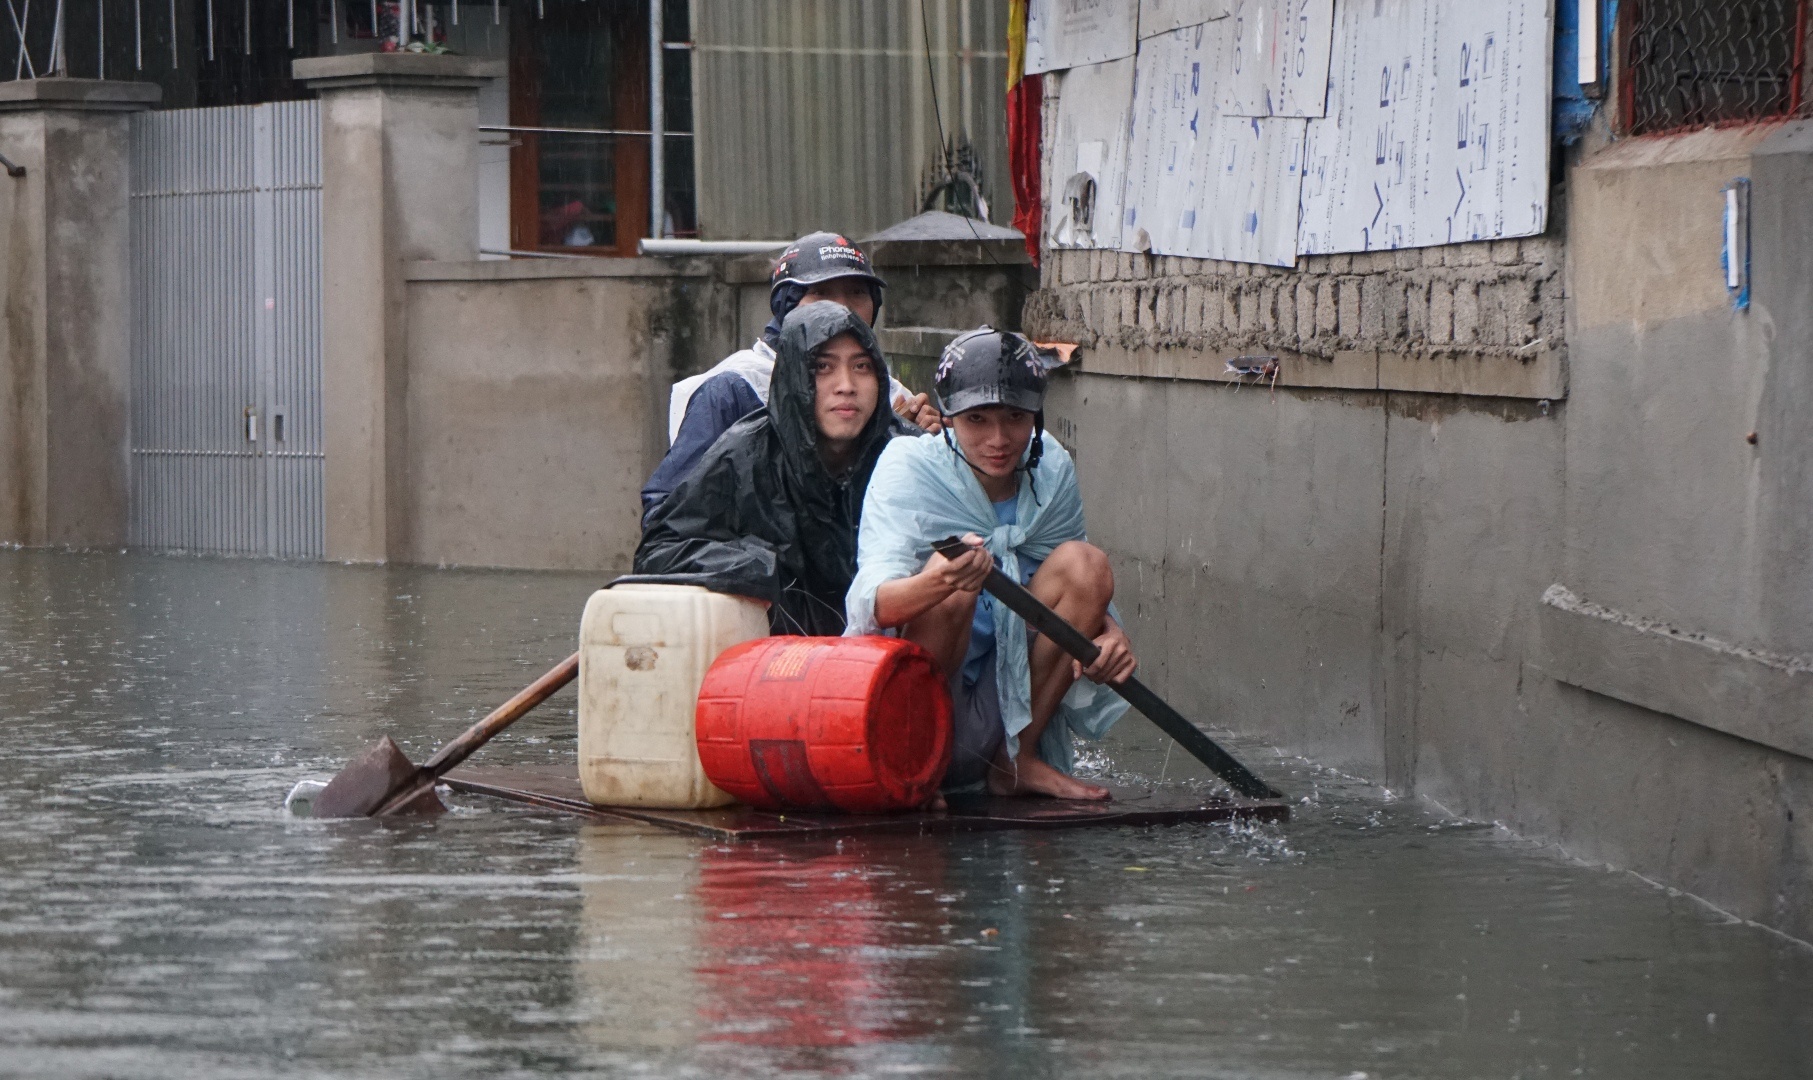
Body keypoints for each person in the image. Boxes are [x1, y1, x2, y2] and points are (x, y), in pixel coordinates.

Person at [845, 328, 1135, 801]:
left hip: (1008, 712)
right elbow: (869, 605)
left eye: (1016, 418)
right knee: (954, 581)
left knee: (1088, 565)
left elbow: (1079, 588)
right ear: (950, 417)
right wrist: (938, 581)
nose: (999, 440)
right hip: (914, 717)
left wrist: (1111, 635)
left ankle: (1016, 761)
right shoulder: (908, 467)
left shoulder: (1052, 468)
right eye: (977, 419)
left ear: (1036, 417)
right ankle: (918, 769)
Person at [633, 301, 900, 636]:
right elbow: (658, 551)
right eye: (822, 368)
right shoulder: (744, 454)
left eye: (861, 367)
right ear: (792, 377)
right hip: (777, 660)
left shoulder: (903, 451)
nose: (846, 385)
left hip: (885, 651)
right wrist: (754, 565)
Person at [640, 231, 940, 521]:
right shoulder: (734, 388)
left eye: (857, 293)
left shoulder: (889, 392)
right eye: (821, 293)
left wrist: (907, 440)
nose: (842, 307)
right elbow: (668, 518)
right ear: (788, 306)